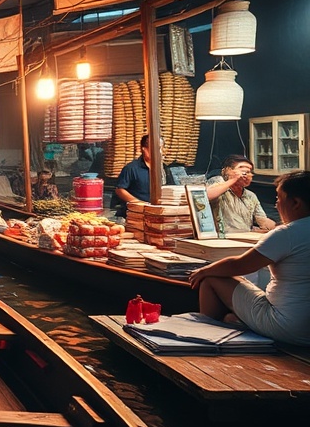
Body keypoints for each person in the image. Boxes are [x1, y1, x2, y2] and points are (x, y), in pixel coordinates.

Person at [190, 170, 310, 346]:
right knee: (230, 316)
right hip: (306, 330)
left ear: (296, 203)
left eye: (279, 198)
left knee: (211, 278)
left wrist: (203, 270)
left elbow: (238, 266)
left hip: (285, 325)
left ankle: (206, 341)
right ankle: (231, 323)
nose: (276, 205)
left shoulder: (289, 233)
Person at [205, 154, 276, 234]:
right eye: (241, 169)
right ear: (227, 170)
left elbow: (262, 220)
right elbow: (206, 196)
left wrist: (276, 227)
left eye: (249, 171)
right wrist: (233, 179)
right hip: (222, 238)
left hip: (244, 237)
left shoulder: (251, 196)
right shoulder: (218, 182)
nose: (245, 174)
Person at [114, 134, 168, 217]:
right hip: (135, 214)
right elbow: (120, 190)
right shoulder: (131, 168)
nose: (160, 152)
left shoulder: (164, 168)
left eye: (161, 148)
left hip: (157, 213)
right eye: (156, 148)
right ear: (144, 149)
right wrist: (138, 203)